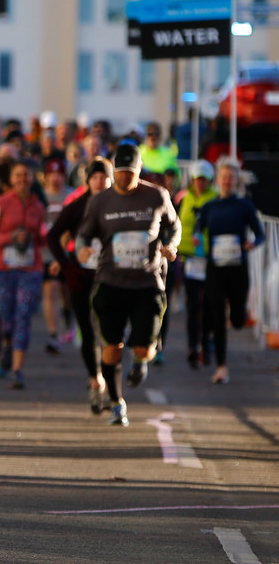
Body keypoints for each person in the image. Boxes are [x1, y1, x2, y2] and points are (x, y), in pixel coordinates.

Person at [77, 144, 181, 427]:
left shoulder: (157, 195)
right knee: (111, 348)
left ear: (139, 172)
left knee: (144, 348)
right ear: (114, 171)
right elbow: (83, 235)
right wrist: (82, 250)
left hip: (147, 282)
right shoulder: (100, 202)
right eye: (120, 173)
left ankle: (141, 361)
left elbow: (174, 225)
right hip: (110, 281)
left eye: (130, 174)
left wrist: (171, 245)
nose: (125, 179)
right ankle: (116, 403)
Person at [46, 156, 114, 414]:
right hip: (81, 276)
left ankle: (108, 381)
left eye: (104, 177)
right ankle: (95, 378)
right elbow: (53, 235)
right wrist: (66, 264)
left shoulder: (116, 205)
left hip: (110, 276)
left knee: (108, 330)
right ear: (88, 180)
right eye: (95, 177)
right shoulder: (77, 205)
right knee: (87, 328)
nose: (99, 182)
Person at [193, 158, 266, 385]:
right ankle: (222, 367)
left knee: (236, 320)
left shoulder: (244, 206)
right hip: (215, 268)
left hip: (238, 268)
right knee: (217, 315)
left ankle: (238, 314)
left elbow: (260, 233)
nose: (226, 181)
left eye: (231, 178)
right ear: (218, 180)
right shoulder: (209, 207)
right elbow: (199, 226)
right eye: (223, 177)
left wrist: (253, 243)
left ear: (236, 181)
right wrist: (196, 236)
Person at [0, 161, 46, 390]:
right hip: (3, 268)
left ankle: (17, 370)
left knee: (23, 315)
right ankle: (6, 349)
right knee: (6, 317)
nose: (22, 179)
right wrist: (12, 238)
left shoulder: (38, 206)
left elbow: (41, 238)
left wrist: (39, 238)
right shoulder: (1, 203)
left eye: (26, 176)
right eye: (18, 175)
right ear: (11, 179)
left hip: (31, 269)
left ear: (33, 179)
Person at [175, 159, 217, 371]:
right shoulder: (186, 198)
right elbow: (179, 226)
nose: (200, 183)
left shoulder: (215, 198)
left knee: (208, 305)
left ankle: (207, 341)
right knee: (193, 305)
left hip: (210, 259)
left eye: (204, 180)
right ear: (192, 180)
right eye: (197, 179)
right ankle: (192, 346)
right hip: (190, 259)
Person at [39, 157, 72, 354]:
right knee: (50, 290)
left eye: (59, 174)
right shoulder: (40, 197)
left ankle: (69, 319)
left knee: (66, 292)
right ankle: (53, 334)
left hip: (67, 252)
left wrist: (63, 249)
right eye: (51, 174)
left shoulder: (70, 196)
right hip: (45, 253)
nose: (55, 178)